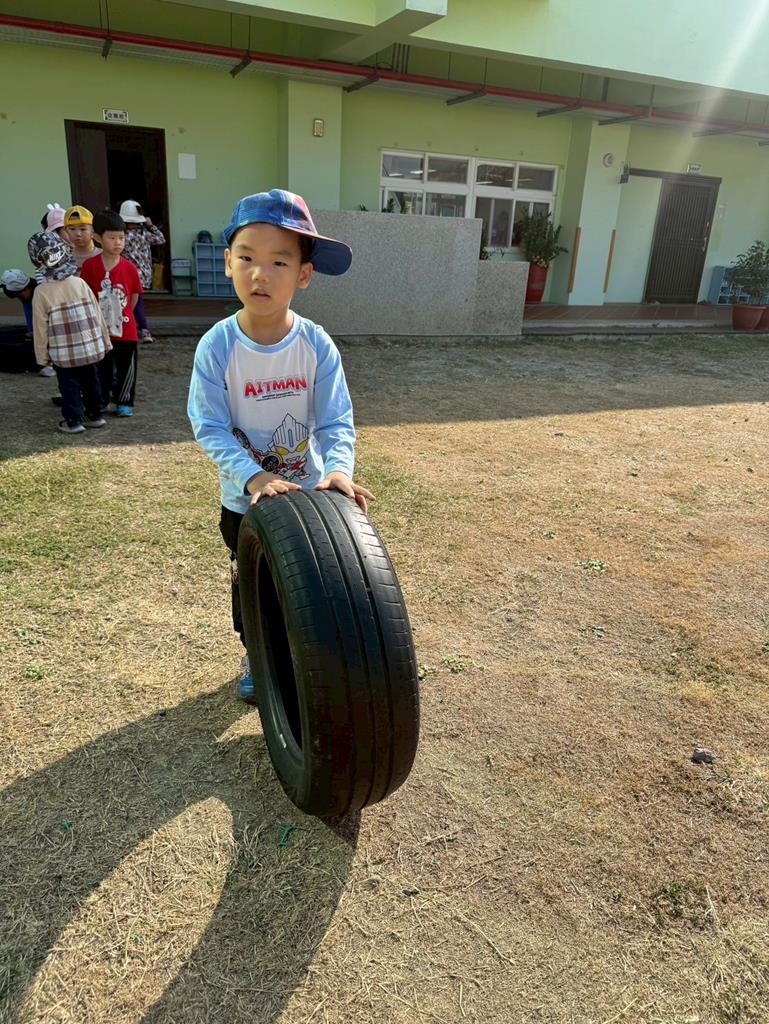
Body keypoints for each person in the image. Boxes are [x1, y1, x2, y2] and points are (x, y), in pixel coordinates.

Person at [187, 189, 374, 702]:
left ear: (303, 275)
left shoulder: (315, 344)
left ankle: (301, 654)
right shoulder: (218, 346)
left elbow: (335, 420)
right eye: (247, 258)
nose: (260, 274)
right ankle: (257, 652)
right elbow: (209, 425)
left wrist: (338, 469)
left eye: (279, 262)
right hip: (244, 500)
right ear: (228, 263)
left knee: (308, 584)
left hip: (309, 499)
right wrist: (255, 476)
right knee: (253, 584)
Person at [27, 231, 111, 434]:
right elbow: (97, 313)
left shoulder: (41, 292)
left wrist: (42, 356)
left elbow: (40, 328)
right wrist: (105, 340)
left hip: (63, 353)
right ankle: (95, 415)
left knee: (69, 385)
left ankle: (74, 421)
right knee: (92, 381)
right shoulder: (79, 283)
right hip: (90, 347)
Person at [81, 209, 142, 417]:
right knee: (101, 366)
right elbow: (86, 294)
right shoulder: (90, 266)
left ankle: (124, 400)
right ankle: (102, 399)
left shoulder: (130, 268)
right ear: (97, 238)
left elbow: (134, 296)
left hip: (126, 328)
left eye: (121, 238)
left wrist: (123, 314)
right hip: (99, 328)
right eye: (112, 238)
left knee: (127, 367)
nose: (118, 242)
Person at [119, 199, 165, 343]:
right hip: (144, 275)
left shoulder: (121, 236)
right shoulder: (144, 234)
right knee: (137, 302)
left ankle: (141, 329)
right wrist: (150, 225)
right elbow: (161, 239)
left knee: (131, 302)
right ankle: (141, 329)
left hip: (127, 274)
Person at [0, 269, 55, 376]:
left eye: (20, 296)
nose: (20, 299)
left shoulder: (42, 297)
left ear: (27, 288)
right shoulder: (27, 299)